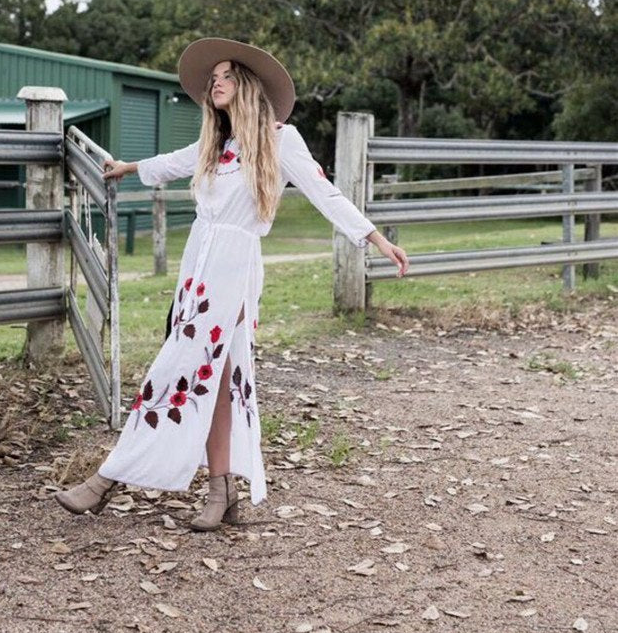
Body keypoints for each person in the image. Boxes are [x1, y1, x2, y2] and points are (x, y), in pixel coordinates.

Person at [55, 37, 409, 530]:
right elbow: (174, 161)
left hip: (234, 268)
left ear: (245, 84)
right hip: (198, 268)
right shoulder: (216, 144)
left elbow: (323, 191)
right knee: (214, 380)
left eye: (225, 76)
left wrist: (373, 238)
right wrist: (130, 169)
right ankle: (224, 494)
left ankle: (105, 480)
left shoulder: (281, 139)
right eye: (212, 79)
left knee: (176, 370)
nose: (215, 83)